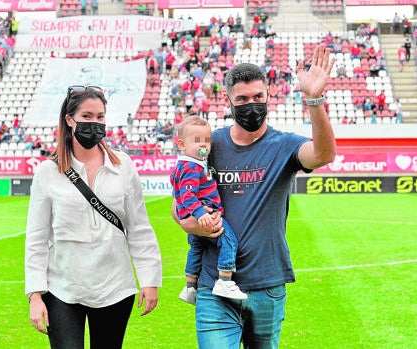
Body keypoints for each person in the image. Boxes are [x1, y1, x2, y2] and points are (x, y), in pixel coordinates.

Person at [172, 45, 336, 348]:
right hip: (215, 288)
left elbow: (323, 154)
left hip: (268, 285)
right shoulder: (209, 145)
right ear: (228, 100)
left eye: (258, 97)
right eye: (243, 99)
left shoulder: (284, 145)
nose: (252, 105)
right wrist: (187, 224)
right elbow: (181, 198)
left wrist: (314, 100)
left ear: (269, 96)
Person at [25, 86, 162, 348]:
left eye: (100, 117)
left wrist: (149, 279)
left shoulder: (123, 166)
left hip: (115, 288)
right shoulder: (47, 172)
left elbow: (139, 227)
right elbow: (37, 238)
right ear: (69, 120)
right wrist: (35, 294)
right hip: (62, 288)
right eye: (87, 116)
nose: (95, 123)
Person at [171, 115, 247, 306]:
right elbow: (187, 195)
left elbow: (176, 190)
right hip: (206, 215)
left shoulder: (185, 165)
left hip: (195, 216)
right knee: (228, 240)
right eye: (197, 141)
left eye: (206, 140)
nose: (203, 145)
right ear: (182, 144)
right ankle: (224, 280)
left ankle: (190, 287)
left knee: (196, 249)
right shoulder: (191, 166)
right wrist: (200, 213)